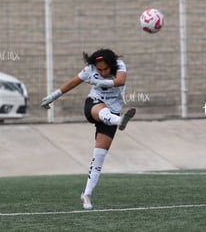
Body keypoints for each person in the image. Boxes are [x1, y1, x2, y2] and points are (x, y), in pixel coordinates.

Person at [41, 48, 136, 210]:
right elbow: (71, 83)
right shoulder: (90, 70)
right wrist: (51, 97)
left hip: (112, 113)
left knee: (99, 157)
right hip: (94, 105)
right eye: (100, 70)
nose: (103, 72)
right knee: (102, 110)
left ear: (111, 65)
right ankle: (120, 121)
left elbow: (121, 81)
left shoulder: (120, 65)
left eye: (106, 69)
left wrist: (101, 82)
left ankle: (86, 194)